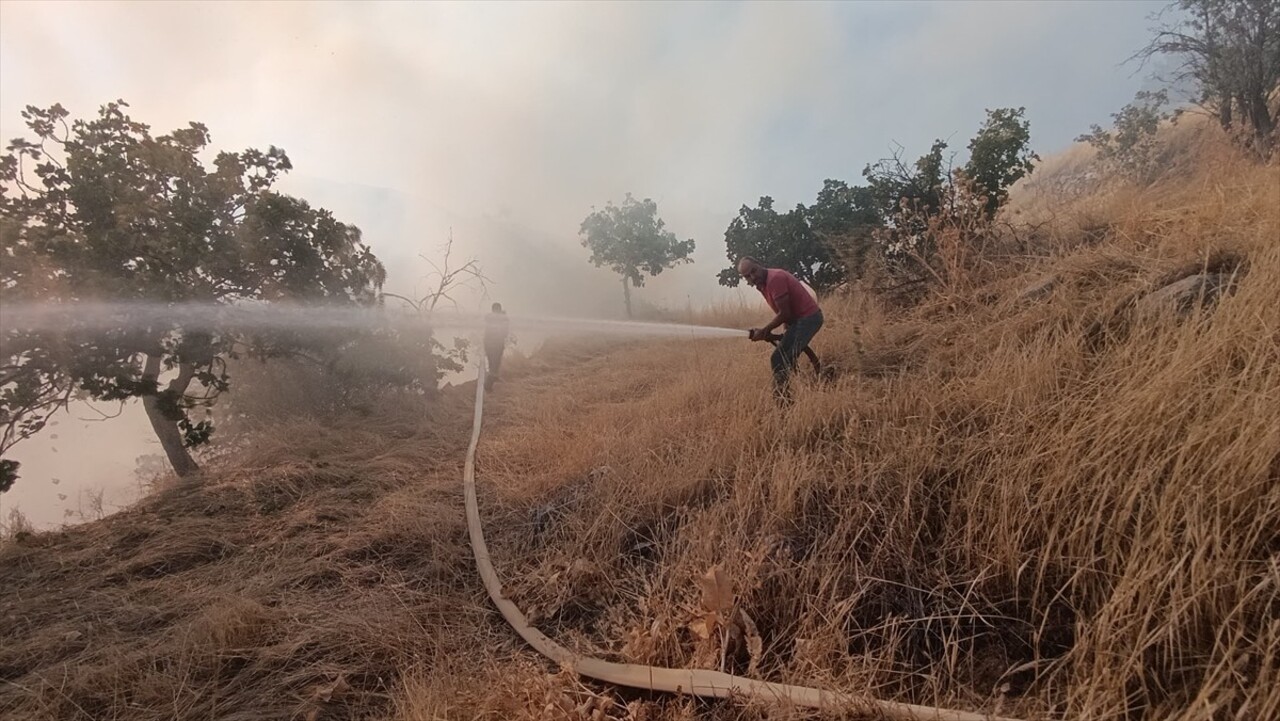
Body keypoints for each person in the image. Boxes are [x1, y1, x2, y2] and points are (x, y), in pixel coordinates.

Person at [738, 256, 824, 398]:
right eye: (747, 276)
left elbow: (784, 313)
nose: (753, 276)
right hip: (798, 321)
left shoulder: (774, 279)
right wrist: (779, 331)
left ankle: (783, 400)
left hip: (809, 319)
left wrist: (764, 331)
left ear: (759, 264)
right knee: (782, 358)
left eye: (754, 271)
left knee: (782, 359)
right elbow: (784, 312)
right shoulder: (762, 284)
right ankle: (801, 387)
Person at [483, 302, 509, 391]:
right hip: (497, 343)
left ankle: (493, 379)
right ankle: (488, 384)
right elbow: (505, 332)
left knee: (492, 362)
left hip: (488, 343)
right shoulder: (502, 319)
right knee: (495, 363)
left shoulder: (488, 318)